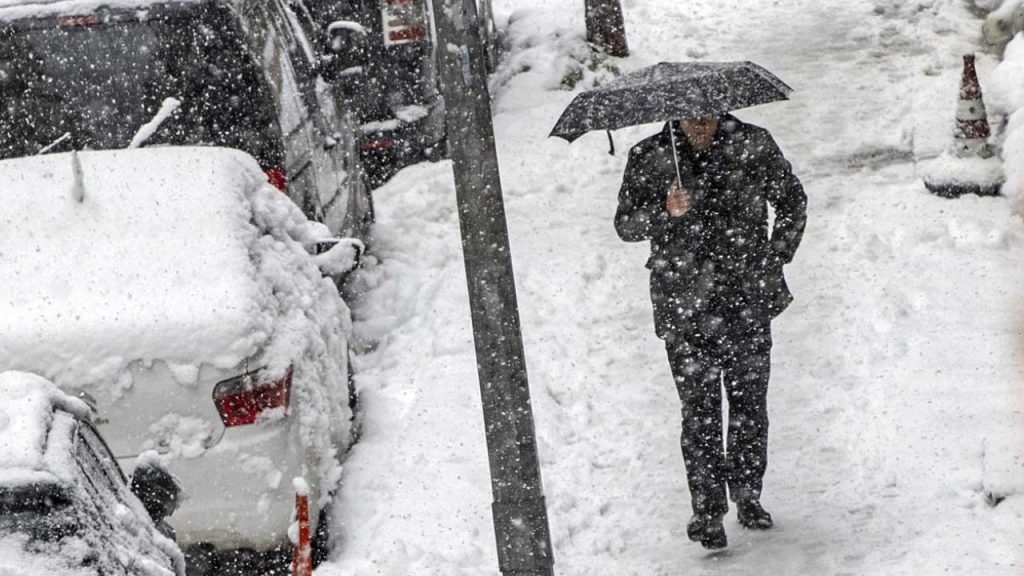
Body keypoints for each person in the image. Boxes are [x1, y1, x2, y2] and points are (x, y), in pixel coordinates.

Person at [614, 114, 806, 550]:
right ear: (675, 115)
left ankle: (747, 495)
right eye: (691, 117)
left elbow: (792, 200)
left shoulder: (752, 144)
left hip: (746, 298)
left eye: (708, 116)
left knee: (748, 404)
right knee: (698, 412)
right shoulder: (649, 156)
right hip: (684, 303)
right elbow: (625, 224)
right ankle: (707, 511)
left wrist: (775, 256)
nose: (700, 124)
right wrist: (664, 210)